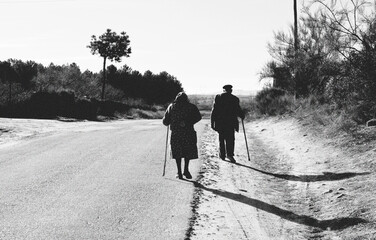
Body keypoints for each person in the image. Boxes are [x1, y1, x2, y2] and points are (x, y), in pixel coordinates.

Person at [163, 92, 202, 179]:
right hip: (188, 132)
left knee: (177, 153)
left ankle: (179, 172)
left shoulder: (171, 107)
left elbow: (165, 121)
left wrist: (169, 121)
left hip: (176, 133)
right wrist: (189, 122)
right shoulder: (191, 107)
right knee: (187, 152)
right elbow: (198, 117)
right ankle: (186, 170)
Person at [210, 84, 245, 163]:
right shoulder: (235, 99)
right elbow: (238, 110)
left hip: (220, 122)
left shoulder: (218, 97)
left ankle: (222, 155)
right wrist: (242, 115)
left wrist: (212, 123)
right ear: (231, 90)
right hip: (230, 122)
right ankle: (229, 154)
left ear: (224, 90)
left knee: (221, 139)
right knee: (230, 139)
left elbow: (214, 111)